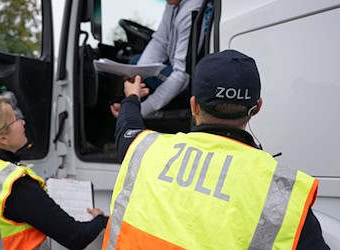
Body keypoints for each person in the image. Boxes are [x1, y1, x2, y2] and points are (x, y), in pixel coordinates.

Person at [103, 50, 330, 249]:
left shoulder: (147, 150)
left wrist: (132, 96)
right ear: (257, 107)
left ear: (194, 106)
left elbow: (127, 129)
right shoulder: (280, 194)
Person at [0, 96, 107, 250]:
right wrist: (100, 219)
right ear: (2, 137)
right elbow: (76, 237)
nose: (23, 122)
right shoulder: (16, 185)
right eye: (16, 119)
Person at [111, 0, 203, 118]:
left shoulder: (191, 11)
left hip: (192, 82)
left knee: (136, 64)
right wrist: (138, 75)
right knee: (136, 63)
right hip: (178, 68)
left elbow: (182, 75)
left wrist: (139, 111)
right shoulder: (173, 4)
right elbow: (161, 41)